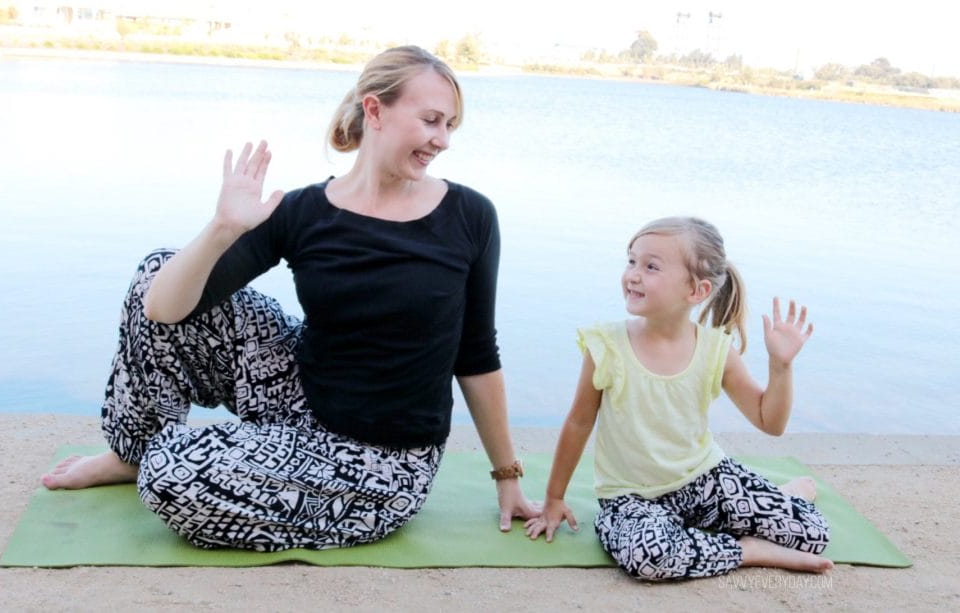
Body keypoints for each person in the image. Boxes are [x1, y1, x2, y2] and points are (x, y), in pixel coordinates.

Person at [41, 45, 539, 551]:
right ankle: (132, 452)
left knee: (170, 473)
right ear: (374, 110)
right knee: (159, 271)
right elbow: (163, 311)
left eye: (451, 125)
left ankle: (159, 462)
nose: (443, 140)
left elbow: (476, 354)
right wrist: (222, 228)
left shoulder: (470, 216)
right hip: (300, 397)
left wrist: (508, 475)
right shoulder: (305, 211)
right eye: (432, 120)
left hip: (380, 460)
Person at [524, 216, 831, 580]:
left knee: (812, 533)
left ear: (697, 291)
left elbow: (770, 422)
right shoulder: (605, 346)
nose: (633, 274)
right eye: (631, 260)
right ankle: (745, 549)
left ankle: (774, 497)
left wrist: (781, 367)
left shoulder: (716, 349)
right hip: (631, 499)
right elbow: (578, 422)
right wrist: (554, 498)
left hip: (706, 481)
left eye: (651, 266)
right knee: (648, 557)